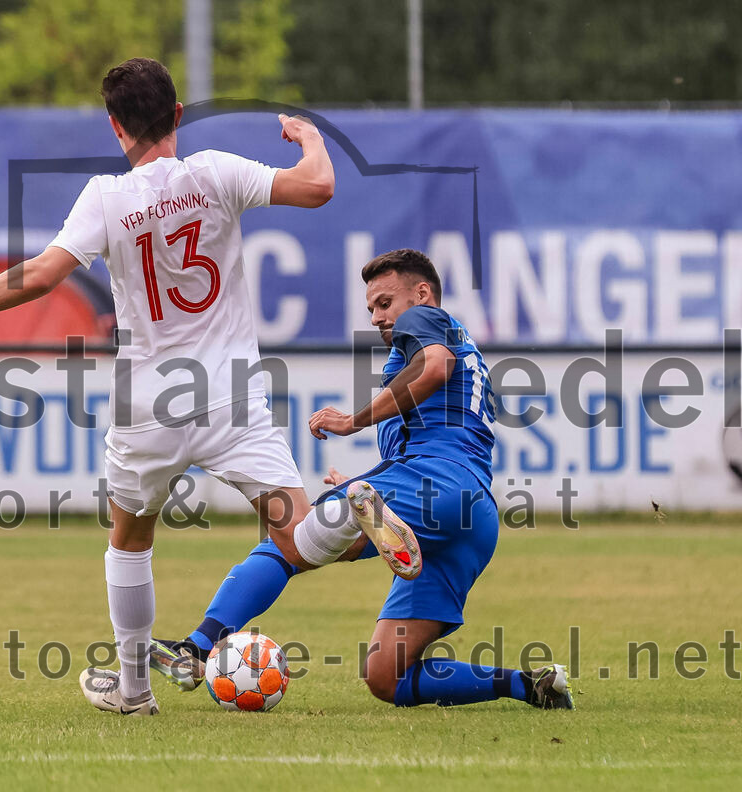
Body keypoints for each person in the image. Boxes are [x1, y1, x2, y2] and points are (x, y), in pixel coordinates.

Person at [0, 58, 421, 716]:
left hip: (150, 400)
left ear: (115, 127)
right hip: (232, 390)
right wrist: (309, 138)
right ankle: (347, 508)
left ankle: (134, 691)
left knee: (131, 539)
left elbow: (42, 276)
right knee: (296, 537)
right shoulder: (216, 172)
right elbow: (317, 188)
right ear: (176, 117)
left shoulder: (107, 199)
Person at [151, 249, 575, 710]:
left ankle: (196, 648)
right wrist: (374, 483)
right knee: (386, 677)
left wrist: (354, 421)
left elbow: (435, 369)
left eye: (384, 302)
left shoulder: (425, 320)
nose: (376, 315)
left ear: (422, 293)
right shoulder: (458, 342)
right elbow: (436, 420)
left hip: (434, 480)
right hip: (470, 514)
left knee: (290, 541)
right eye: (371, 307)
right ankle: (529, 686)